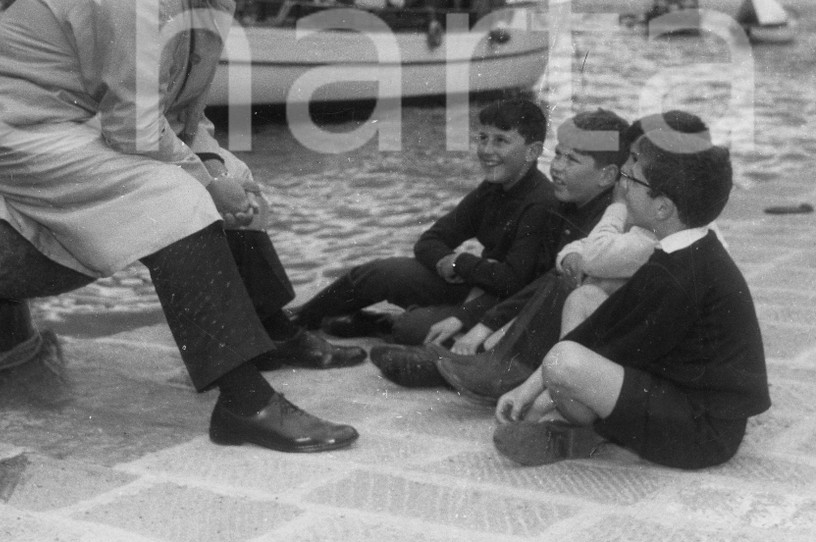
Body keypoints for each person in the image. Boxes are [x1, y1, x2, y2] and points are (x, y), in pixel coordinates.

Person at [0, 0, 363, 454]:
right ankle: (244, 402)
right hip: (12, 127)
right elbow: (135, 130)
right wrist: (204, 182)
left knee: (236, 178)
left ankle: (271, 330)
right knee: (180, 198)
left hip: (82, 119)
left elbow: (184, 115)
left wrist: (221, 169)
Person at [492, 116, 770, 469]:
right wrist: (528, 390)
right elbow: (603, 325)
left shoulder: (680, 276)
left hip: (702, 433)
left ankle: (587, 431)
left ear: (663, 208)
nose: (622, 188)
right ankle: (589, 423)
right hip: (682, 395)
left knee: (564, 362)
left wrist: (537, 398)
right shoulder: (682, 251)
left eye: (631, 180)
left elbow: (597, 346)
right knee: (585, 300)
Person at [435, 111, 704, 400]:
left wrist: (616, 208)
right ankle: (502, 364)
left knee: (578, 285)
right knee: (570, 279)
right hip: (570, 324)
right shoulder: (648, 214)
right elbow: (578, 251)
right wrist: (572, 256)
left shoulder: (642, 221)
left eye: (635, 160)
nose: (557, 168)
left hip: (632, 350)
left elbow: (596, 255)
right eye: (558, 155)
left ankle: (511, 372)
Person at [370, 108, 632, 388]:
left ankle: (451, 369)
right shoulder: (565, 209)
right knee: (472, 330)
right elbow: (530, 279)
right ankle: (457, 359)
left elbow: (547, 283)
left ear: (606, 176)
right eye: (557, 154)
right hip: (537, 305)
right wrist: (472, 317)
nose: (556, 167)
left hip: (592, 328)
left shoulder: (611, 223)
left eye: (572, 160)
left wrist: (481, 323)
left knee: (492, 335)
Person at [290, 98, 559, 347]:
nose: (486, 150)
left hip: (504, 306)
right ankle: (301, 318)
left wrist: (460, 265)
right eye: (483, 138)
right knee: (381, 272)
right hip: (479, 284)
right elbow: (430, 241)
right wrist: (453, 263)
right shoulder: (492, 188)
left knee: (413, 329)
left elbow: (514, 283)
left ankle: (380, 323)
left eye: (501, 141)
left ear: (532, 151)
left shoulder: (541, 202)